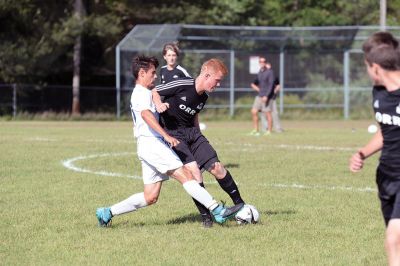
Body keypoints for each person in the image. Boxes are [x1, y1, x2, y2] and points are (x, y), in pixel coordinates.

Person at [96, 55, 243, 227]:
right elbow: (146, 115)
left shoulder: (144, 92)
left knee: (150, 197)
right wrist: (166, 136)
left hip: (146, 146)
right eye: (152, 72)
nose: (156, 76)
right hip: (152, 143)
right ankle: (217, 210)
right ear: (142, 73)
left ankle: (107, 212)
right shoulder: (141, 92)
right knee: (187, 175)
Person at [152, 58, 246, 228]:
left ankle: (241, 206)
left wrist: (200, 140)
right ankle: (206, 217)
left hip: (193, 134)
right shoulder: (182, 83)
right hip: (174, 135)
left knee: (217, 167)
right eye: (217, 81)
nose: (218, 85)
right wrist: (158, 104)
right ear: (207, 75)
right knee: (195, 173)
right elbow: (154, 90)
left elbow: (194, 115)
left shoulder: (204, 97)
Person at [349, 32, 400, 266]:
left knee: (393, 240)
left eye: (367, 66)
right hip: (386, 176)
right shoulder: (378, 92)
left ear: (376, 67)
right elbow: (386, 129)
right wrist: (362, 153)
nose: (367, 72)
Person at [249, 56, 274, 136]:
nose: (262, 63)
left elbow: (271, 85)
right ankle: (256, 130)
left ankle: (269, 131)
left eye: (263, 61)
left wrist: (266, 96)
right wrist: (255, 87)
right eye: (260, 61)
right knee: (254, 111)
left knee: (267, 113)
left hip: (266, 96)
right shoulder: (260, 71)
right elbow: (255, 82)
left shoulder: (270, 72)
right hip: (260, 95)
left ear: (265, 63)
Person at [266, 62, 283, 133]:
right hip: (264, 97)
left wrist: (276, 90)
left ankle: (278, 128)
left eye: (268, 67)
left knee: (274, 113)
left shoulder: (274, 76)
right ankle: (266, 128)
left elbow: (278, 85)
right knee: (264, 113)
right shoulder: (262, 75)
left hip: (272, 97)